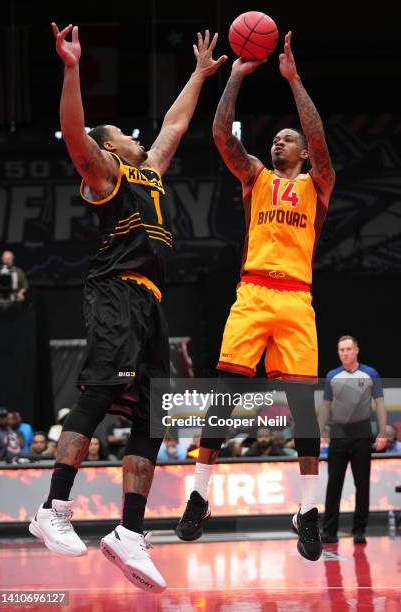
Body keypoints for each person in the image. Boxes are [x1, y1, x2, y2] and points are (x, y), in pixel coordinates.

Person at [29, 22, 227, 594]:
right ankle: (53, 507)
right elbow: (74, 136)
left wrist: (197, 74)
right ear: (112, 146)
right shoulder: (106, 172)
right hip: (115, 290)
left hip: (152, 303)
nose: (138, 137)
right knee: (96, 393)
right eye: (124, 134)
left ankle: (129, 532)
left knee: (151, 419)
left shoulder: (150, 173)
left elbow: (174, 124)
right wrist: (70, 70)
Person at [176, 31, 335, 563]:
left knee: (303, 413)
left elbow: (318, 138)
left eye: (287, 139)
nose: (278, 143)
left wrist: (293, 81)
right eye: (275, 139)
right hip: (253, 292)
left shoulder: (318, 183)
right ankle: (199, 495)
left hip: (296, 300)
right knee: (225, 394)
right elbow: (223, 135)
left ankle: (307, 512)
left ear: (303, 152)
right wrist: (236, 78)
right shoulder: (256, 178)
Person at [318, 335, 387, 544]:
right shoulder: (332, 375)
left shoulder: (370, 373)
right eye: (341, 350)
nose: (345, 353)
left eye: (348, 349)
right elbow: (325, 406)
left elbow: (380, 404)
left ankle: (359, 530)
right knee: (334, 485)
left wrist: (383, 431)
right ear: (338, 352)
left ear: (356, 349)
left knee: (362, 484)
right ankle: (329, 532)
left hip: (362, 434)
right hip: (338, 434)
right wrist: (321, 432)